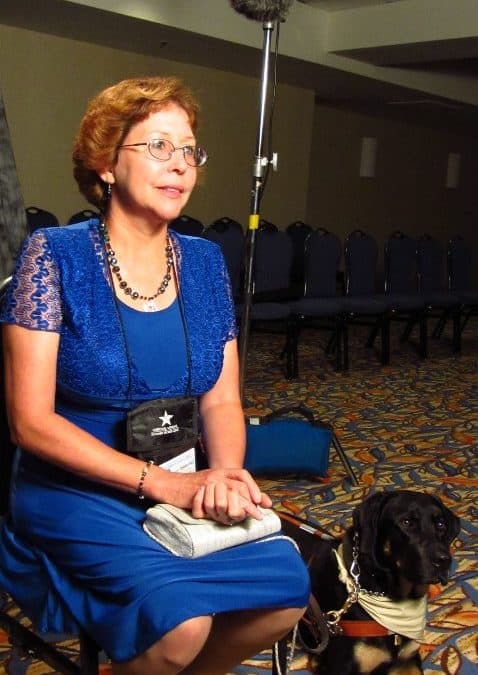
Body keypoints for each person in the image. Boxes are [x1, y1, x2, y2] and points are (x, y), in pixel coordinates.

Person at [0, 76, 309, 674]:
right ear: (106, 164)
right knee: (181, 621)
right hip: (74, 490)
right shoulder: (54, 255)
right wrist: (164, 486)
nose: (180, 165)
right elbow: (29, 424)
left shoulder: (204, 261)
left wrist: (223, 474)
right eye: (158, 147)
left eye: (189, 150)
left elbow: (221, 402)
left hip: (179, 480)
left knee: (285, 592)